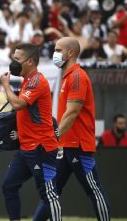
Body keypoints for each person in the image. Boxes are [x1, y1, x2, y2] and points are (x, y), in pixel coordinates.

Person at [36, 37, 110, 221]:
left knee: (94, 189)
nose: (55, 53)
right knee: (50, 191)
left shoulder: (77, 76)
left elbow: (73, 111)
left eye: (58, 49)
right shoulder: (68, 77)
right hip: (66, 145)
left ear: (70, 53)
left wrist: (55, 136)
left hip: (77, 144)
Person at [0, 43, 61, 221]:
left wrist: (6, 85)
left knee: (48, 195)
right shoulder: (27, 81)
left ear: (30, 61)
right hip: (27, 148)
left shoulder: (36, 80)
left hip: (41, 147)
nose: (13, 63)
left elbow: (18, 104)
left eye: (17, 59)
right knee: (9, 186)